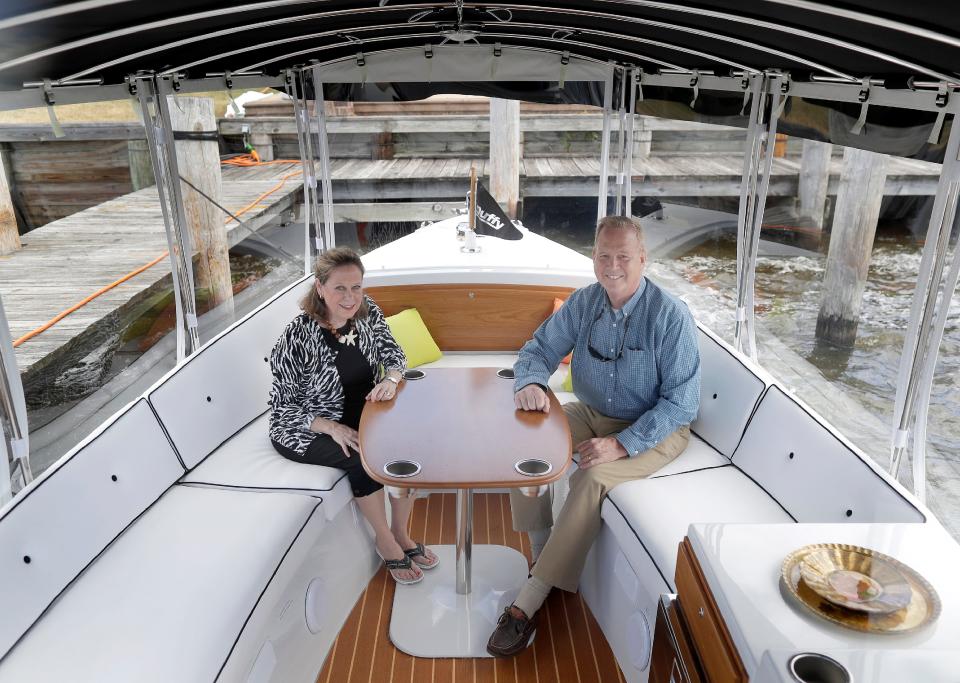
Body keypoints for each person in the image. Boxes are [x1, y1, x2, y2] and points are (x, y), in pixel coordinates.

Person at [486, 216, 700, 657]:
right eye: (605, 255)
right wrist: (529, 381)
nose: (613, 266)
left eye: (624, 256)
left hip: (657, 427)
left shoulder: (671, 316)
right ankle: (542, 549)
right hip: (593, 411)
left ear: (643, 259)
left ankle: (531, 598)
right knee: (526, 441)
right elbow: (539, 349)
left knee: (592, 477)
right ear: (594, 258)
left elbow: (681, 403)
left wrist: (622, 444)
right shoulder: (585, 303)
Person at [269, 247, 439, 585]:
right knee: (362, 457)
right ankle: (385, 541)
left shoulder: (368, 311)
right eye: (340, 288)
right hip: (307, 428)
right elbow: (281, 406)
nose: (350, 298)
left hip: (363, 414)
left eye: (356, 287)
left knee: (413, 445)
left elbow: (394, 353)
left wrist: (391, 380)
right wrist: (331, 428)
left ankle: (401, 533)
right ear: (320, 287)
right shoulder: (296, 337)